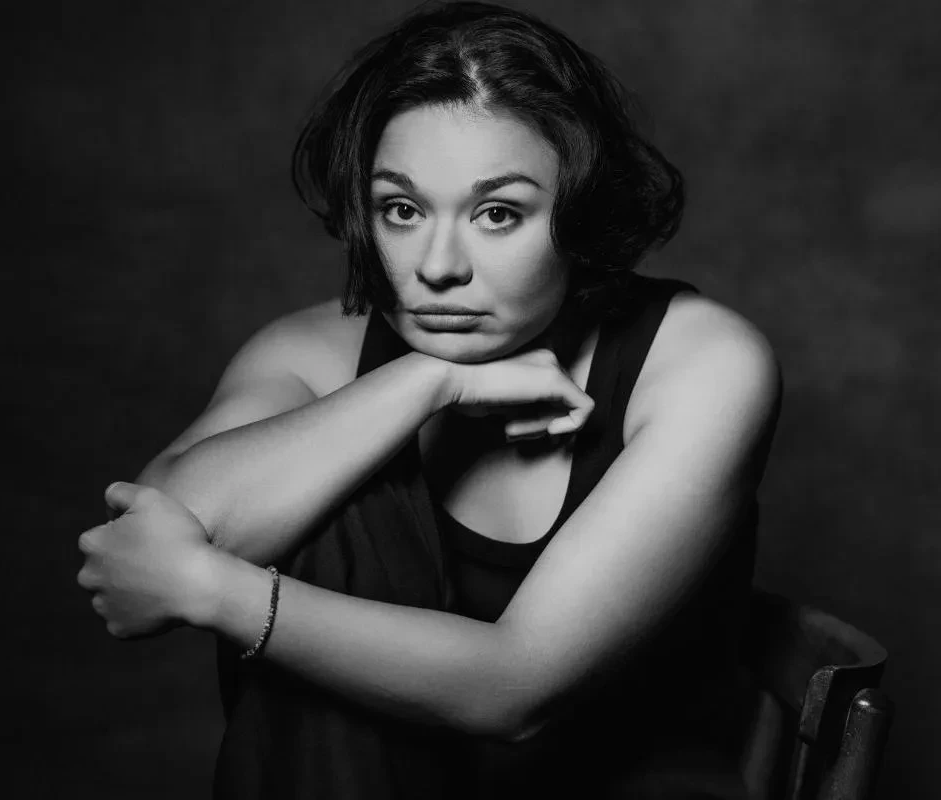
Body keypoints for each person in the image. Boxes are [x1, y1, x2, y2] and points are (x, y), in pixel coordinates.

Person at [77, 2, 782, 798]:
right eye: (403, 210)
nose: (439, 267)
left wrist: (216, 592)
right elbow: (151, 532)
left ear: (580, 214)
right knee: (323, 480)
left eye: (498, 213)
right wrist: (428, 381)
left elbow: (516, 688)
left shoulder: (700, 362)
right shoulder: (313, 351)